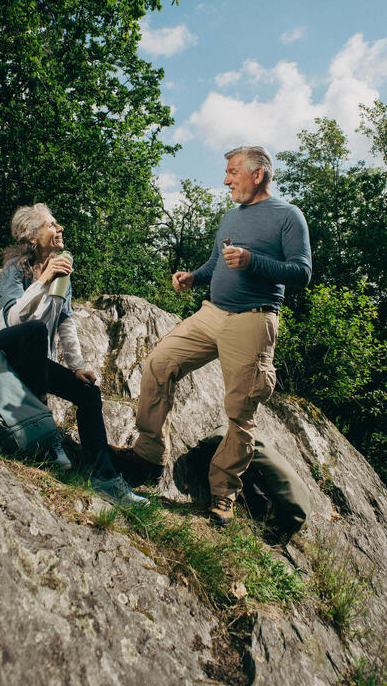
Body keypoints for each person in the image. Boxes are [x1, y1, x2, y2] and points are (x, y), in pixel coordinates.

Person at [112, 146, 312, 526]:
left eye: (232, 172)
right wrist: (193, 276)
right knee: (159, 362)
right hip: (212, 314)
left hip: (253, 320)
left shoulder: (289, 216)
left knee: (240, 412)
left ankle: (223, 494)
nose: (225, 180)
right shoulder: (230, 216)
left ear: (258, 174)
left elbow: (301, 273)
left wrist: (254, 262)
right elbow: (218, 261)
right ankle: (147, 456)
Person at [0, 204, 148, 507]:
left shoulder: (63, 274)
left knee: (89, 393)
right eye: (52, 224)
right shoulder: (16, 268)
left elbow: (65, 321)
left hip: (33, 361)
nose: (60, 228)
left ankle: (105, 478)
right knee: (34, 331)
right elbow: (13, 320)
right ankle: (47, 437)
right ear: (32, 235)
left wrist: (77, 367)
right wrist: (42, 279)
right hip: (2, 350)